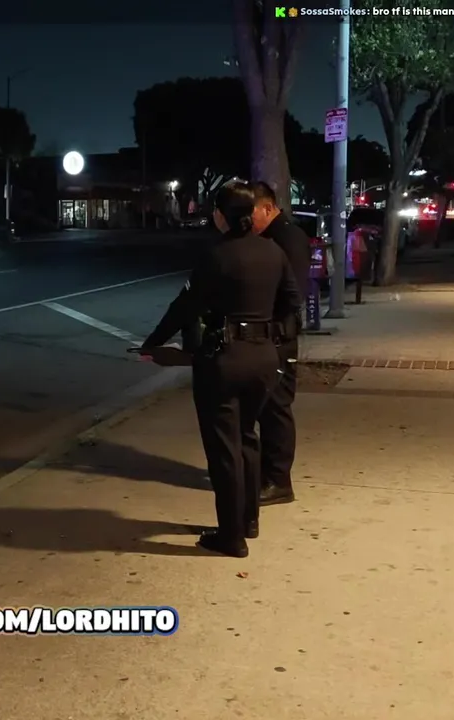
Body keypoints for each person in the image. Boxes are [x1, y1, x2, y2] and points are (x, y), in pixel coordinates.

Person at [138, 181, 303, 558]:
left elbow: (185, 307)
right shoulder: (273, 251)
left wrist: (153, 342)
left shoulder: (216, 255)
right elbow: (293, 305)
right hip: (264, 358)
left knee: (224, 447)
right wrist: (272, 341)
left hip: (225, 359)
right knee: (247, 436)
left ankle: (231, 535)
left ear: (221, 215)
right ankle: (249, 520)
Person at [249, 181, 310, 508]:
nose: (249, 220)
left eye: (252, 213)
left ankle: (278, 481)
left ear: (268, 208)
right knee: (266, 408)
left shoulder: (288, 238)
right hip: (269, 336)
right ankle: (268, 474)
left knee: (276, 409)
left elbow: (291, 293)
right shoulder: (273, 237)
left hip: (279, 337)